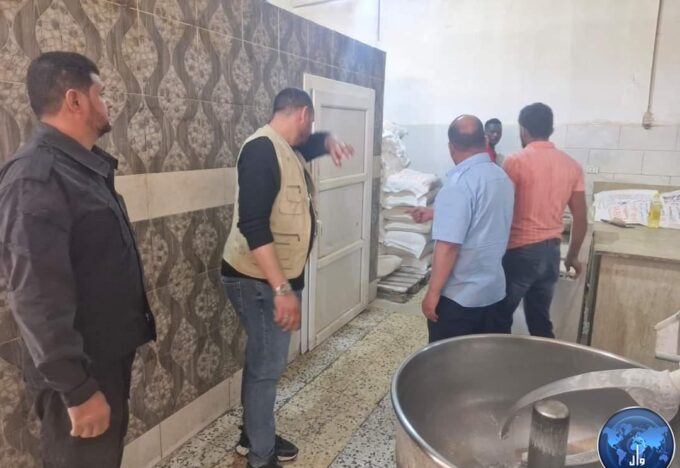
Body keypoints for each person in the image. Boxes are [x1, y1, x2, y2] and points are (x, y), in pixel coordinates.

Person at [0, 52, 156, 467]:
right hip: (79, 373)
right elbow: (35, 297)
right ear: (75, 100)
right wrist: (78, 389)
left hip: (102, 360)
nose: (108, 103)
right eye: (100, 93)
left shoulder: (80, 167)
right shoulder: (36, 176)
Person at [221, 88, 353, 468]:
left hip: (266, 280)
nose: (311, 131)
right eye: (312, 122)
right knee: (267, 370)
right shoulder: (263, 150)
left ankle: (253, 435)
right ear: (303, 114)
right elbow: (253, 226)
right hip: (258, 282)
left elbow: (312, 143)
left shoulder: (287, 146)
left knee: (260, 360)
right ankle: (261, 458)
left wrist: (329, 140)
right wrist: (281, 289)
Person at [492, 103, 587, 338]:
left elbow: (500, 209)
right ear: (550, 129)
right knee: (540, 320)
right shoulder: (572, 165)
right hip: (552, 253)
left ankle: (495, 360)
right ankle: (548, 361)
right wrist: (573, 256)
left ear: (523, 130)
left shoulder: (515, 161)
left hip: (519, 253)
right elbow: (581, 216)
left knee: (498, 317)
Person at [421, 115, 514, 343]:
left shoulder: (457, 185)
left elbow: (448, 246)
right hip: (495, 292)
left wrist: (432, 293)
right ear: (485, 140)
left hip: (460, 300)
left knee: (450, 360)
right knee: (489, 359)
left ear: (451, 147)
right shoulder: (501, 177)